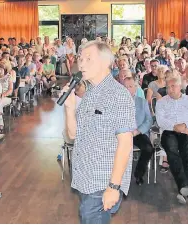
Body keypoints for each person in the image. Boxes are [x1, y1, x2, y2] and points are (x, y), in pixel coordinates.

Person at [62, 41, 135, 224]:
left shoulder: (118, 95)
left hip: (103, 181)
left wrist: (113, 187)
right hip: (85, 177)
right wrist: (70, 109)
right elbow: (73, 135)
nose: (82, 64)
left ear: (105, 62)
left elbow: (126, 144)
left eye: (88, 59)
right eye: (80, 59)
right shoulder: (88, 94)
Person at [155, 73, 188, 204]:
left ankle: (184, 190)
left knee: (187, 156)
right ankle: (185, 186)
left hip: (187, 131)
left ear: (180, 86)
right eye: (168, 87)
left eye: (173, 86)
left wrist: (185, 126)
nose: (170, 89)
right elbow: (160, 121)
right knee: (172, 152)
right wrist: (176, 127)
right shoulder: (161, 102)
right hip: (169, 132)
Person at [123, 76, 153, 185]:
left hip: (138, 132)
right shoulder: (117, 102)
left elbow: (149, 120)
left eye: (130, 86)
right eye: (125, 87)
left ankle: (138, 174)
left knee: (148, 149)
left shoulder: (142, 102)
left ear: (135, 88)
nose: (127, 89)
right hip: (122, 133)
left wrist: (138, 131)